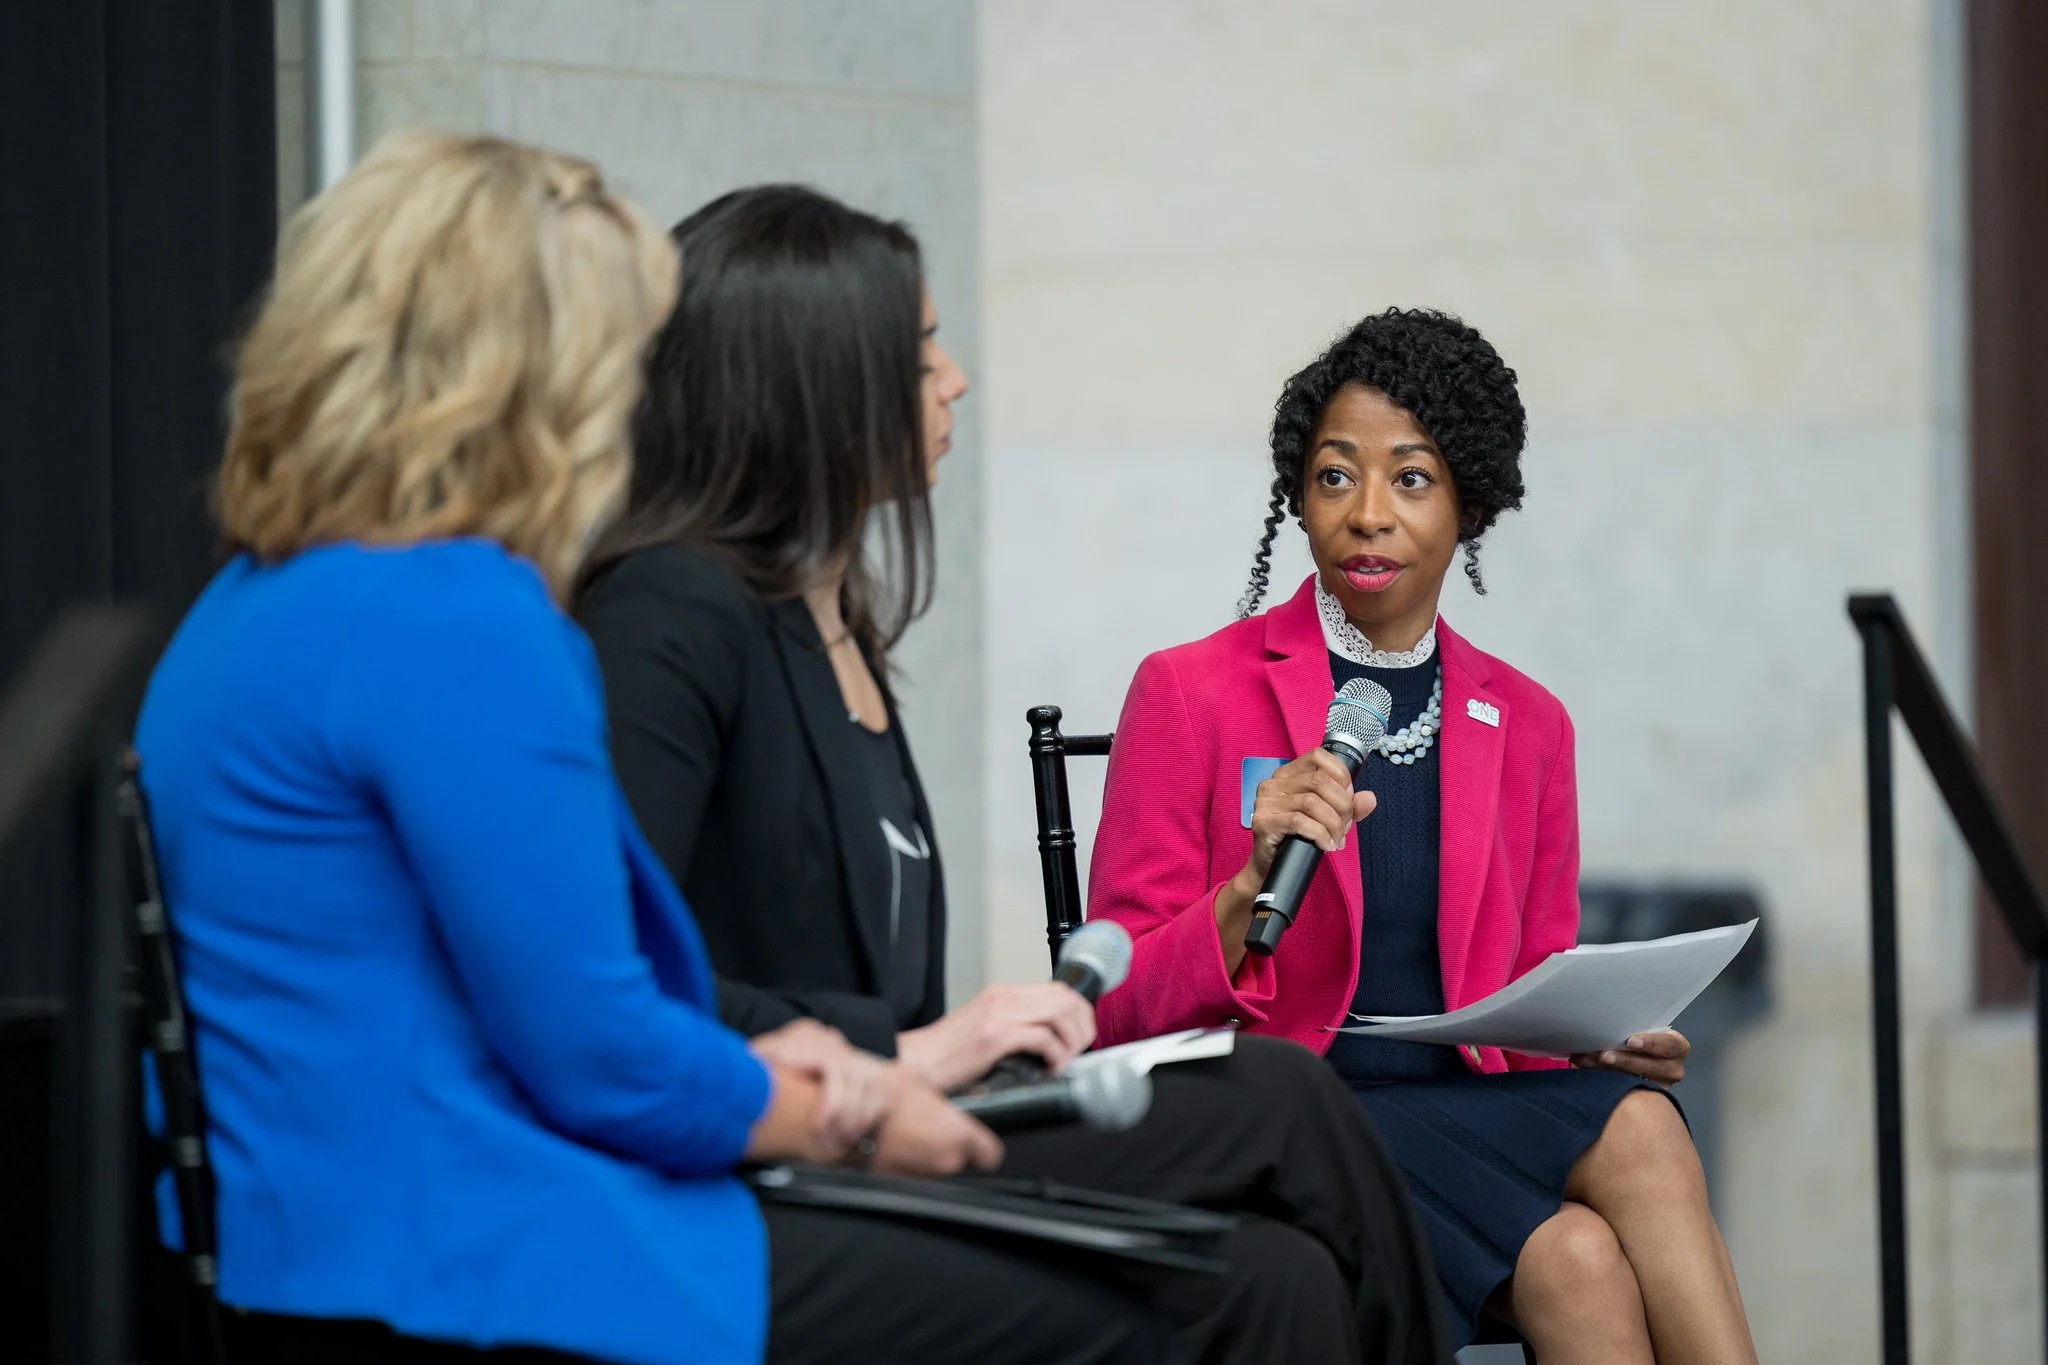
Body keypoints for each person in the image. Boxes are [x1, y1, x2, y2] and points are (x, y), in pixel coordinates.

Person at [134, 131, 1179, 1365]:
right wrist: (844, 1111)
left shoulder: (246, 610)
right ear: (528, 377)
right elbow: (598, 1058)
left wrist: (785, 1064)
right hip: (480, 1261)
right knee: (1206, 1290)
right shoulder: (451, 616)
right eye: (617, 357)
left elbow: (517, 1000)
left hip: (327, 1249)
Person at [574, 185, 1452, 1365]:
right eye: (922, 347)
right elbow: (613, 971)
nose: (955, 379)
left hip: (883, 1115)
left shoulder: (835, 628)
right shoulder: (671, 614)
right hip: (769, 1152)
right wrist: (912, 1048)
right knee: (1279, 1100)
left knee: (1277, 1273)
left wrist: (949, 1050)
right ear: (813, 381)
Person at [1084, 308, 1761, 1363]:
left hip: (1456, 1119)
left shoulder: (1528, 724)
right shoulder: (1189, 693)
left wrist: (1595, 1037)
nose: (1366, 514)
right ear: (1296, 498)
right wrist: (1241, 893)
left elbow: (1528, 985)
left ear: (1468, 503)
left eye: (1409, 478)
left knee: (1583, 1263)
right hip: (1272, 1120)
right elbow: (1114, 1006)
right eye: (1333, 476)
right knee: (1634, 1133)